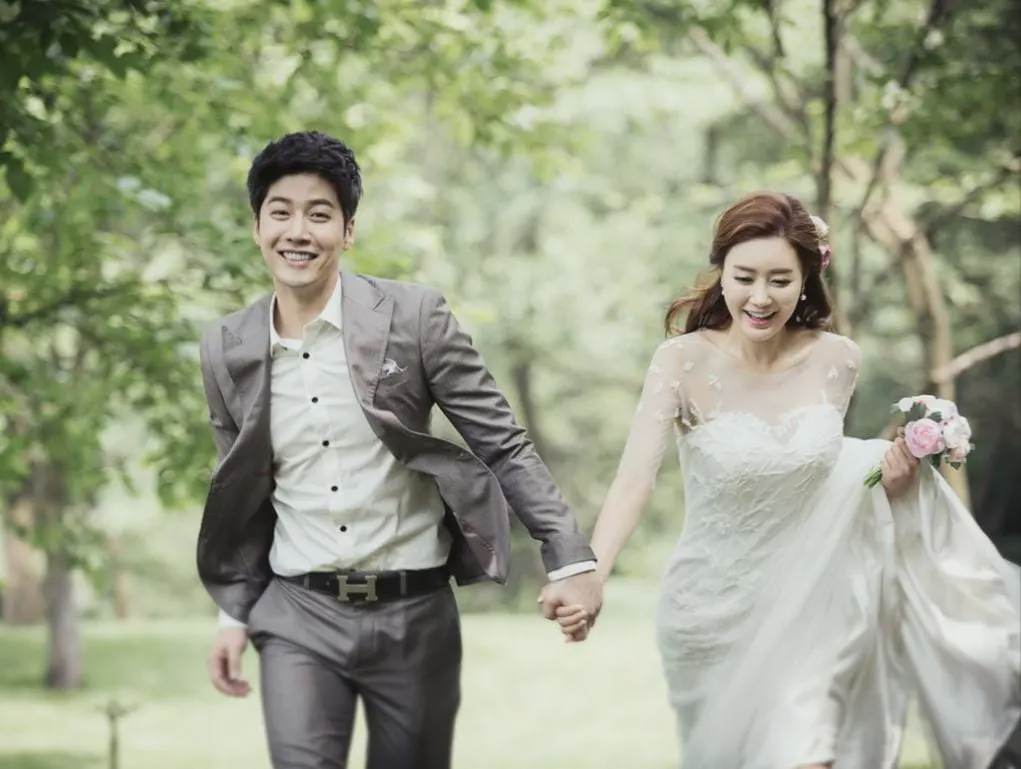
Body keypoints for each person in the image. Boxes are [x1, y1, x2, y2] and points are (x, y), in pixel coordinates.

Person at [551, 191, 1021, 768]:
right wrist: (593, 575)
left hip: (816, 605)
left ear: (806, 281)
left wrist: (892, 479)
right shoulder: (679, 361)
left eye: (779, 280)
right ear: (721, 273)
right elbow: (633, 482)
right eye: (744, 277)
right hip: (710, 611)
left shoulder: (838, 359)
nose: (760, 297)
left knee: (808, 753)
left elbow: (825, 471)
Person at [195, 130, 602, 769]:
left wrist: (569, 557)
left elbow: (501, 443)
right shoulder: (226, 347)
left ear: (348, 231)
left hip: (415, 615)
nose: (298, 232)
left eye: (319, 214)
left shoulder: (414, 318)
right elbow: (241, 493)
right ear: (257, 226)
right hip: (297, 612)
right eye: (280, 212)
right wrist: (233, 614)